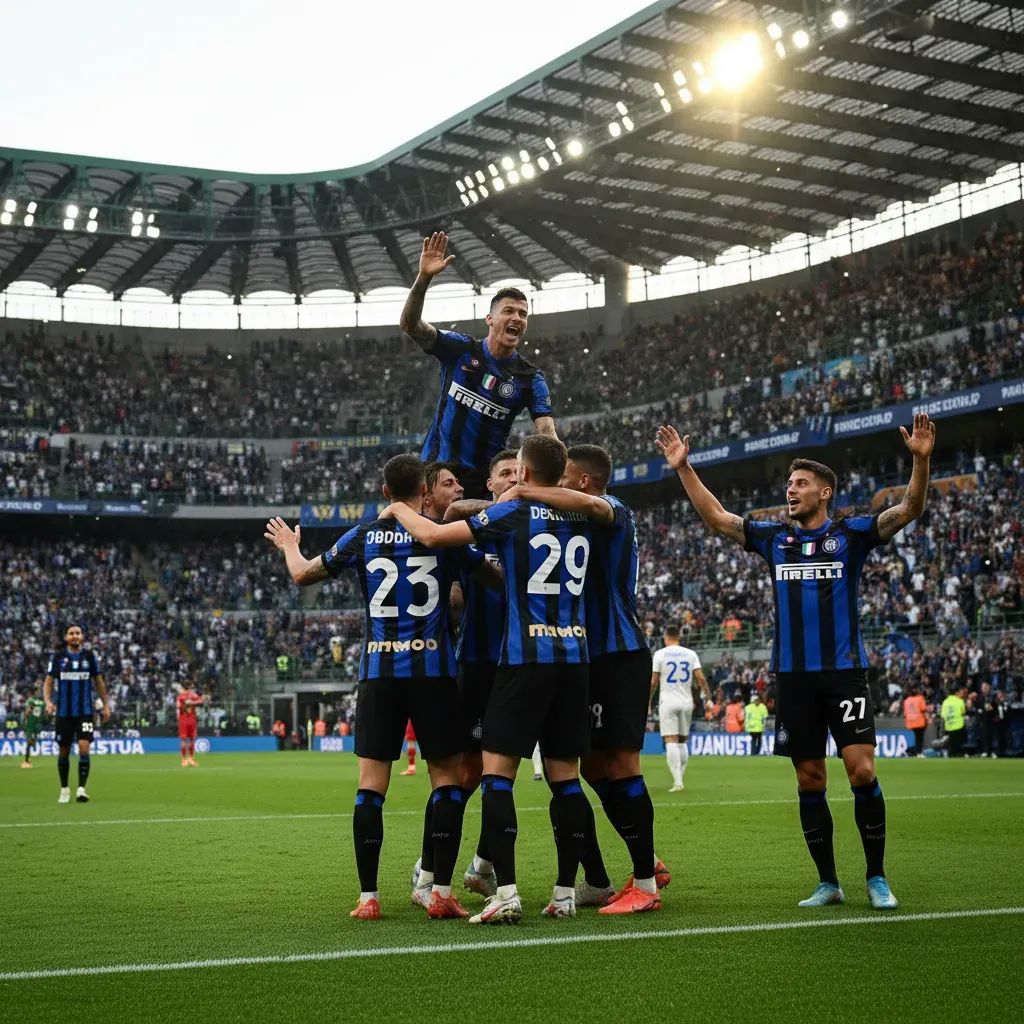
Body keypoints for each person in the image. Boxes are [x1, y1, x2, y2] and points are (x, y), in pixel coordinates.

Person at [656, 411, 936, 911]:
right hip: (794, 678)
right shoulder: (773, 539)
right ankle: (828, 882)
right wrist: (684, 468)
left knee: (862, 771)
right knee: (810, 777)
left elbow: (910, 508)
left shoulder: (851, 535)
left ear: (823, 492)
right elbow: (718, 518)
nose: (791, 490)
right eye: (789, 483)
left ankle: (876, 876)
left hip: (844, 672)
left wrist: (921, 461)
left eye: (801, 483)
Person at [265, 454, 488, 922]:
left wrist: (289, 544)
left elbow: (303, 573)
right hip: (435, 674)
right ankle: (440, 891)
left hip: (379, 674)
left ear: (384, 491)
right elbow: (487, 575)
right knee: (446, 781)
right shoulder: (443, 538)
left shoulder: (363, 536)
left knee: (371, 789)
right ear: (424, 493)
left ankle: (368, 898)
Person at [381, 435, 593, 924]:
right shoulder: (587, 514)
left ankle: (508, 892)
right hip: (574, 659)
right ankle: (563, 894)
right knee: (566, 781)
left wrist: (398, 510)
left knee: (496, 777)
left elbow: (434, 538)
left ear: (523, 469)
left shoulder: (513, 514)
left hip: (523, 661)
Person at [503, 442, 665, 914]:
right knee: (591, 767)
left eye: (564, 477)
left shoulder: (610, 507)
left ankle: (645, 884)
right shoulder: (569, 518)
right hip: (587, 657)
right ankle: (646, 856)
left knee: (623, 764)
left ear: (584, 481)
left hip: (620, 652)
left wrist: (525, 489)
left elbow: (590, 505)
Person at [399, 231, 557, 497]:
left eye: (523, 314)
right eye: (509, 311)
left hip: (483, 482)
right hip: (436, 471)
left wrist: (557, 473)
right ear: (490, 319)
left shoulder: (531, 378)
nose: (517, 318)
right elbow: (410, 325)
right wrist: (424, 278)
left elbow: (546, 431)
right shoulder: (459, 349)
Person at [43, 624, 110, 804]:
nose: (75, 636)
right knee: (64, 750)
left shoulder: (89, 657)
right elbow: (48, 682)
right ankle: (64, 789)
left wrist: (106, 705)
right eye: (71, 633)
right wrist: (48, 702)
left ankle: (81, 789)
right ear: (66, 637)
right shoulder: (58, 658)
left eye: (78, 633)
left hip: (85, 713)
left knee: (84, 747)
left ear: (82, 636)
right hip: (64, 713)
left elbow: (99, 682)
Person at [651, 626, 711, 791]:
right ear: (678, 637)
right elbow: (700, 677)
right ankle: (680, 778)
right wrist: (708, 697)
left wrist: (648, 701)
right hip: (686, 702)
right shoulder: (690, 654)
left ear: (666, 637)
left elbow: (654, 681)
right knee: (683, 740)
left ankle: (678, 782)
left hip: (668, 702)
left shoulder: (660, 654)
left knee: (671, 740)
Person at [177, 683, 205, 767]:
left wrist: (191, 702)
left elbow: (201, 701)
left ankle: (188, 759)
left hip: (189, 719)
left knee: (189, 739)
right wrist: (192, 703)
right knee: (187, 740)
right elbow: (200, 701)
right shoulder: (183, 696)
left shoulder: (186, 696)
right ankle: (187, 759)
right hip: (186, 719)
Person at [941, 686, 968, 758]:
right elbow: (963, 712)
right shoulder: (960, 701)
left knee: (951, 742)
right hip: (959, 725)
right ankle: (959, 754)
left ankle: (951, 755)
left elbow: (943, 715)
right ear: (956, 693)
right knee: (959, 742)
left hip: (949, 725)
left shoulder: (945, 702)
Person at [21, 693, 45, 768]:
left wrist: (25, 717)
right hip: (37, 724)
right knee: (30, 742)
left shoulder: (31, 702)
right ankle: (32, 745)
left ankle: (26, 761)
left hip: (30, 725)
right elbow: (43, 714)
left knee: (28, 742)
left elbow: (28, 712)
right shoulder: (42, 704)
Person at [903, 687, 928, 757]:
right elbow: (923, 710)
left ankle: (912, 751)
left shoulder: (906, 700)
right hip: (919, 721)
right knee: (920, 738)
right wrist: (928, 719)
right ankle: (918, 752)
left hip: (910, 721)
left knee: (918, 738)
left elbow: (905, 714)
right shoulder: (920, 698)